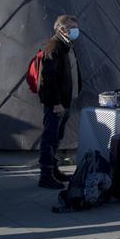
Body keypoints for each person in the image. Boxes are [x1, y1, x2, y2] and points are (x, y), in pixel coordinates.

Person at [35, 15, 81, 189]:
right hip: (56, 104)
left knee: (56, 138)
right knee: (50, 137)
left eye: (76, 26)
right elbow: (47, 80)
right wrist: (55, 103)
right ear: (61, 28)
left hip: (65, 101)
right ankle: (45, 175)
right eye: (72, 27)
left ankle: (53, 169)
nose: (76, 30)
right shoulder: (54, 47)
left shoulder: (67, 47)